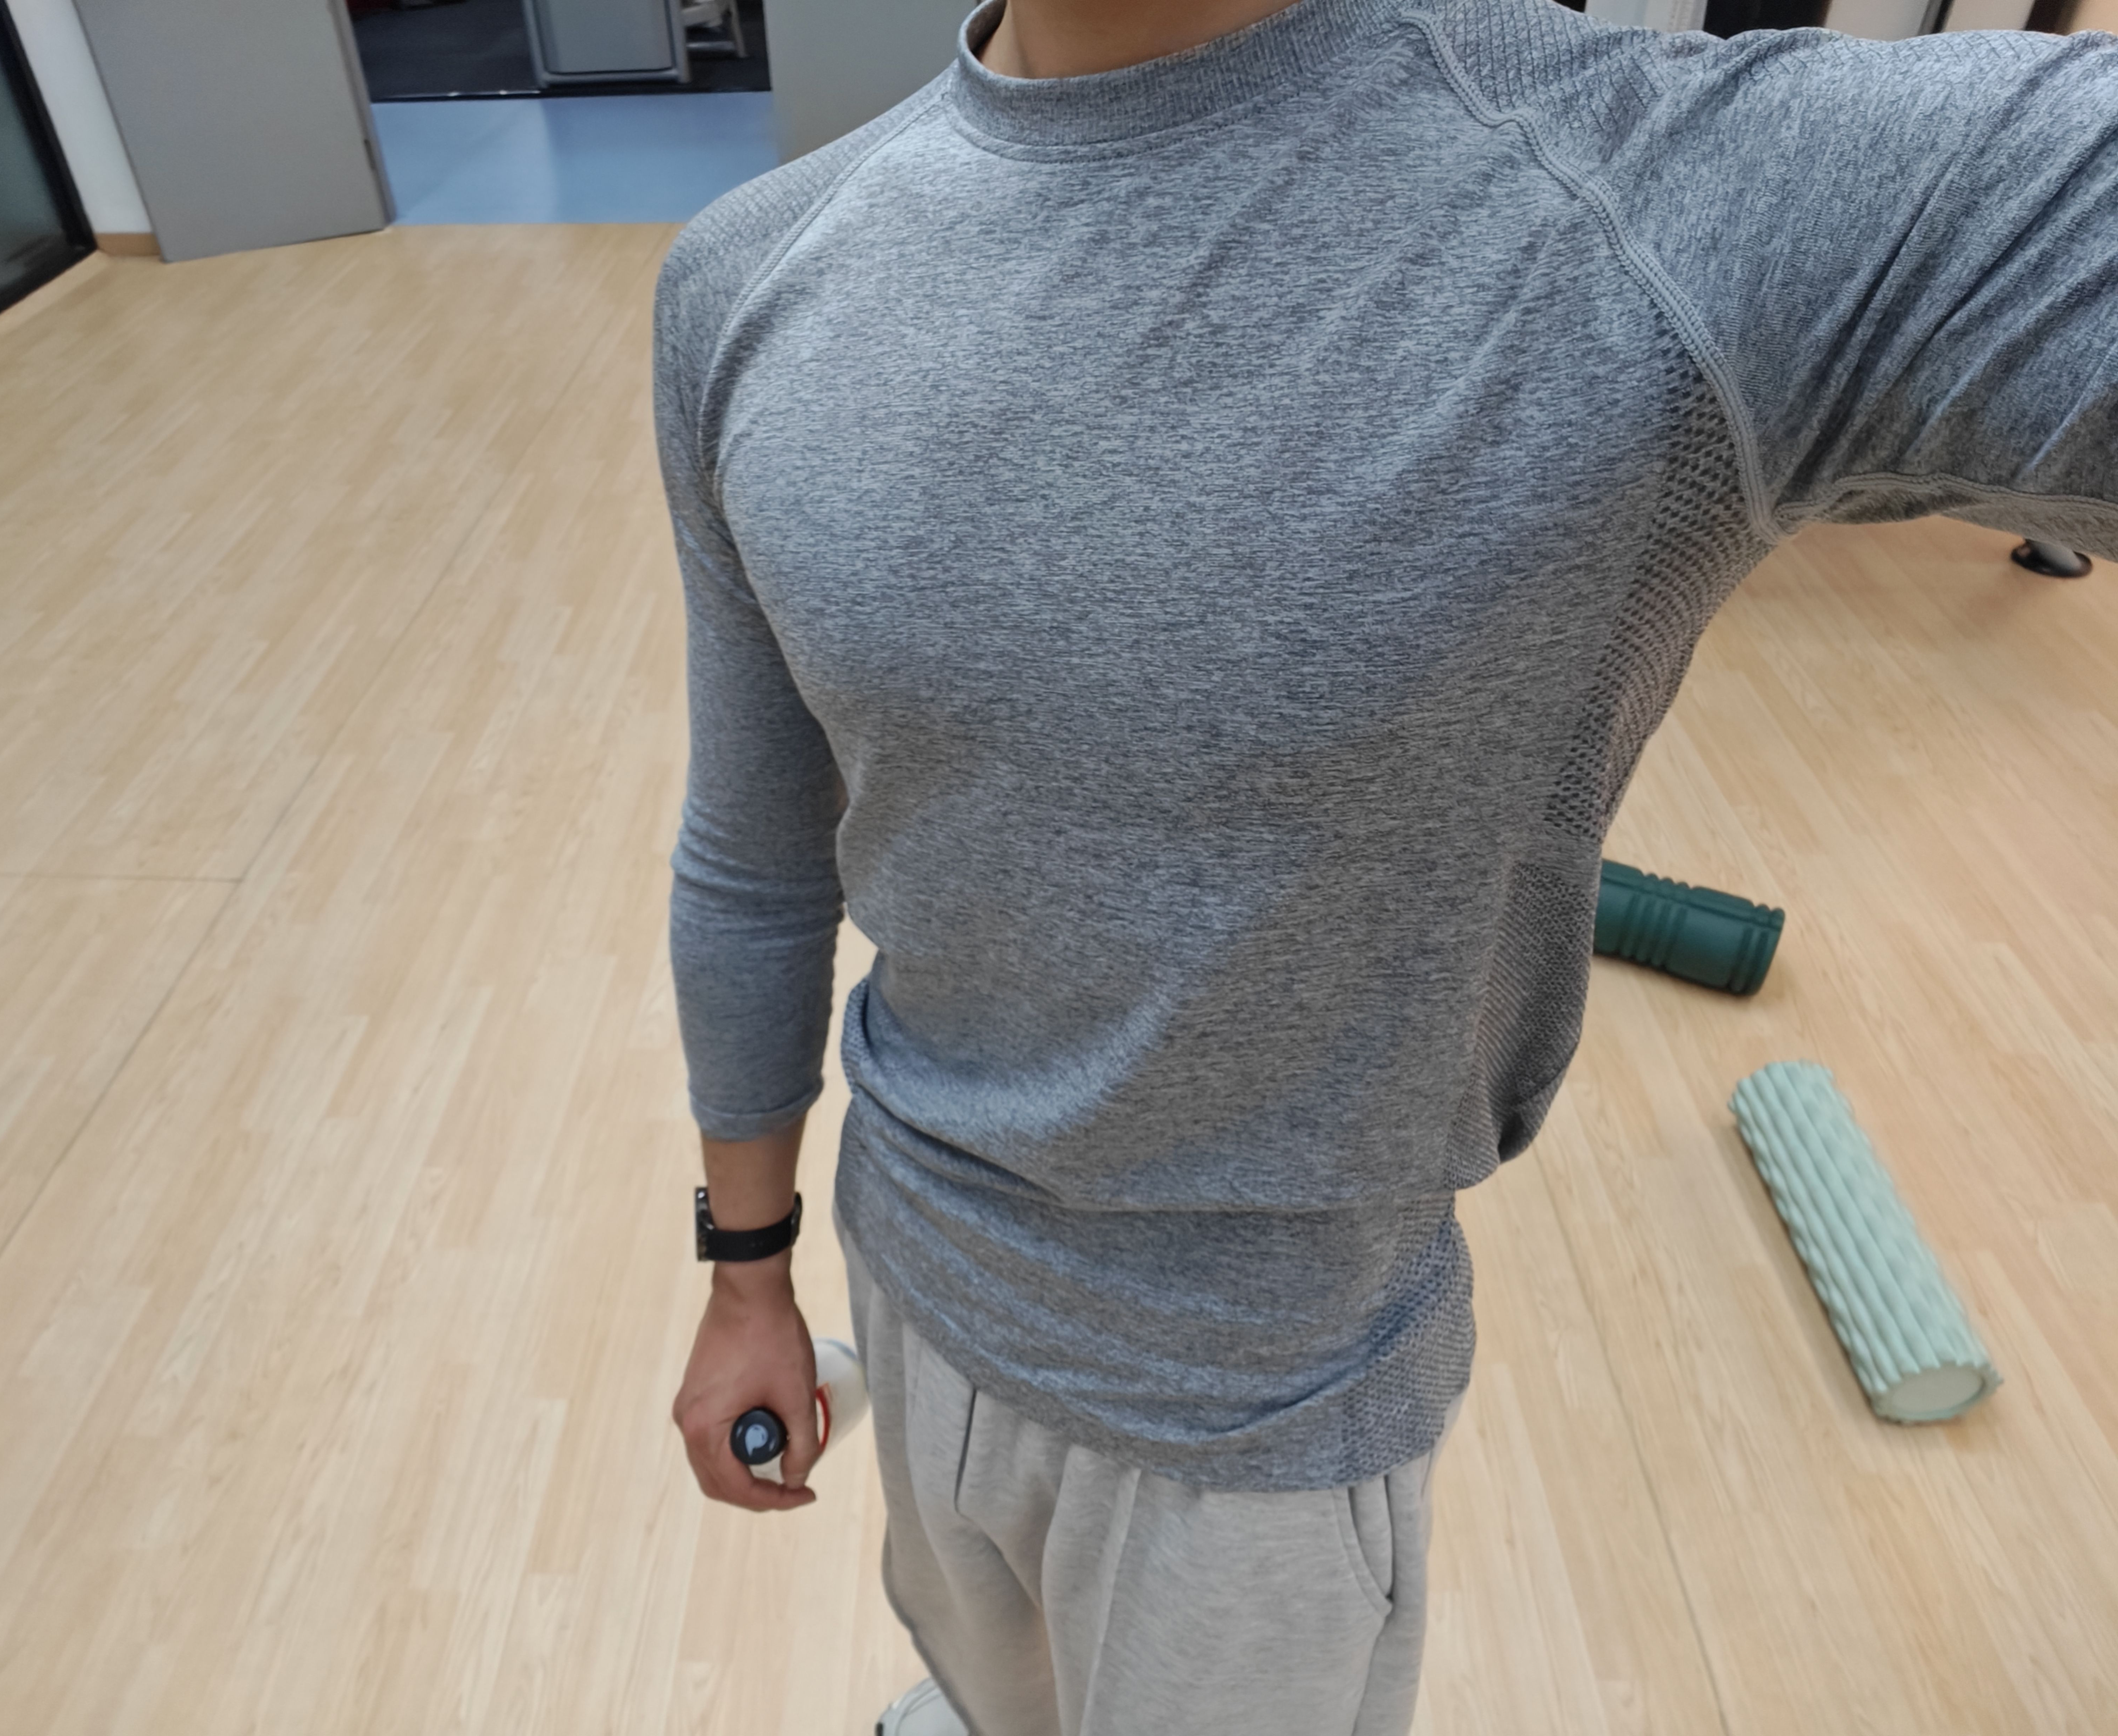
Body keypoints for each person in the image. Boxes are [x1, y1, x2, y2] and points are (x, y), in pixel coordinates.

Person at [659, 0, 2118, 1729]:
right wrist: (744, 1272)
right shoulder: (749, 275)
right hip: (910, 1280)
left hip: (1256, 1438)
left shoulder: (1654, 202)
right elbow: (753, 854)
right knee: (982, 1693)